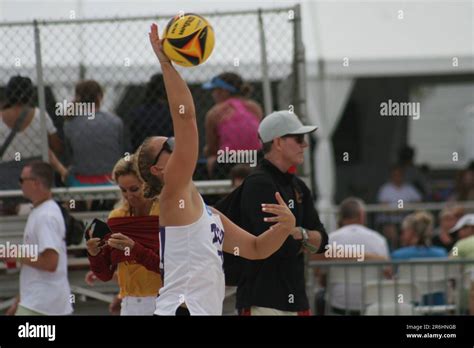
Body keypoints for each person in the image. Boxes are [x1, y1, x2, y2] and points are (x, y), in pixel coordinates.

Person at [134, 24, 296, 316]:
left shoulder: (208, 213)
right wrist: (166, 63)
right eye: (168, 144)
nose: (175, 144)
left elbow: (257, 249)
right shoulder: (173, 194)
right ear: (158, 168)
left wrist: (284, 228)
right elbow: (186, 119)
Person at [225, 110, 328, 316]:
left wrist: (299, 233)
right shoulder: (259, 183)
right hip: (263, 302)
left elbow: (324, 242)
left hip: (295, 300)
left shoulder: (298, 186)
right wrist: (305, 236)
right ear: (278, 142)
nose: (305, 144)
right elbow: (281, 247)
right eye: (298, 138)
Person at [86, 155, 161, 315]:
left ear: (147, 183)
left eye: (134, 189)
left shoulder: (164, 213)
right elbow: (105, 274)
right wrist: (94, 255)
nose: (128, 195)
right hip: (130, 302)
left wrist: (134, 248)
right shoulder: (117, 218)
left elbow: (168, 266)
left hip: (164, 299)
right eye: (123, 190)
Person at [4, 161, 73, 315]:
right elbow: (37, 263)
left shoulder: (46, 216)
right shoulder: (41, 211)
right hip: (40, 301)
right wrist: (19, 300)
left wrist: (14, 254)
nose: (20, 184)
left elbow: (50, 262)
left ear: (35, 183)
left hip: (42, 304)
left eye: (22, 180)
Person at [0, 76, 62, 214]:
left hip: (5, 181)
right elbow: (56, 145)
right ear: (30, 93)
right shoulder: (40, 115)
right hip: (36, 177)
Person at [319, 197, 390, 315]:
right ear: (362, 215)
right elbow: (387, 273)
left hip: (338, 306)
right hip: (371, 306)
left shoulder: (330, 239)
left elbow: (322, 278)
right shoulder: (378, 239)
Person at [63, 79, 124, 187]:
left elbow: (68, 155)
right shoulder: (115, 122)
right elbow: (123, 149)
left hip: (80, 181)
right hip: (111, 179)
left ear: (78, 97)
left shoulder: (70, 124)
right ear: (100, 96)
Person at [202, 72, 263, 179]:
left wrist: (206, 152)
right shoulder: (254, 107)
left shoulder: (215, 112)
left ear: (223, 91)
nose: (212, 94)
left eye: (214, 90)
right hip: (256, 159)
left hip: (228, 161)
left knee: (210, 159)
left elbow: (212, 147)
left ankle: (220, 193)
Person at [125, 73, 173, 152]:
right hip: (167, 154)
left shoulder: (137, 112)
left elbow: (131, 139)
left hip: (142, 153)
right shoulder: (173, 114)